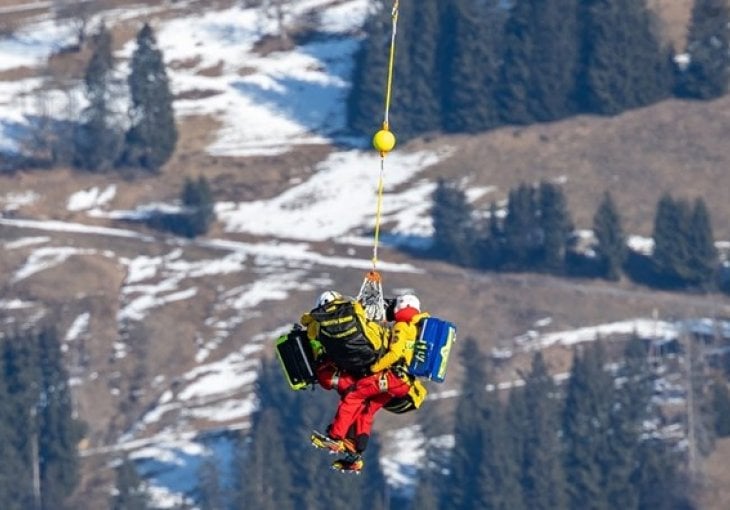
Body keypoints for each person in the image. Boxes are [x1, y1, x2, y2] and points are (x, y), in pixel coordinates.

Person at [316, 292, 429, 472]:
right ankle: (355, 452)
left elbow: (395, 353)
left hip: (392, 378)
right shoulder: (419, 327)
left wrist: (374, 368)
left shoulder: (402, 326)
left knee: (354, 395)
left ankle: (335, 437)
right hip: (404, 383)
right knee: (367, 409)